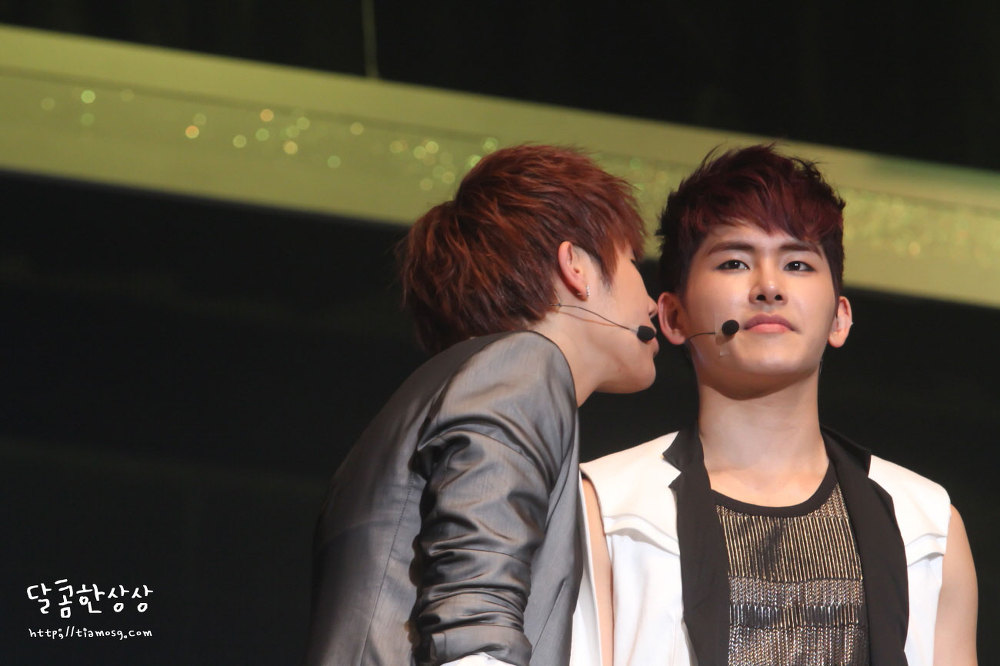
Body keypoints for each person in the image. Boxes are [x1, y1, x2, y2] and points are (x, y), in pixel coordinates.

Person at [572, 145, 978, 666]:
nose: (768, 287)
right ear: (672, 316)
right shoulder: (606, 508)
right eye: (734, 262)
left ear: (840, 318)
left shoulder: (926, 527)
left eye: (798, 264)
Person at [304, 144, 660, 666]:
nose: (652, 302)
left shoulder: (445, 390)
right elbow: (473, 627)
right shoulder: (524, 368)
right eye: (632, 261)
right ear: (576, 266)